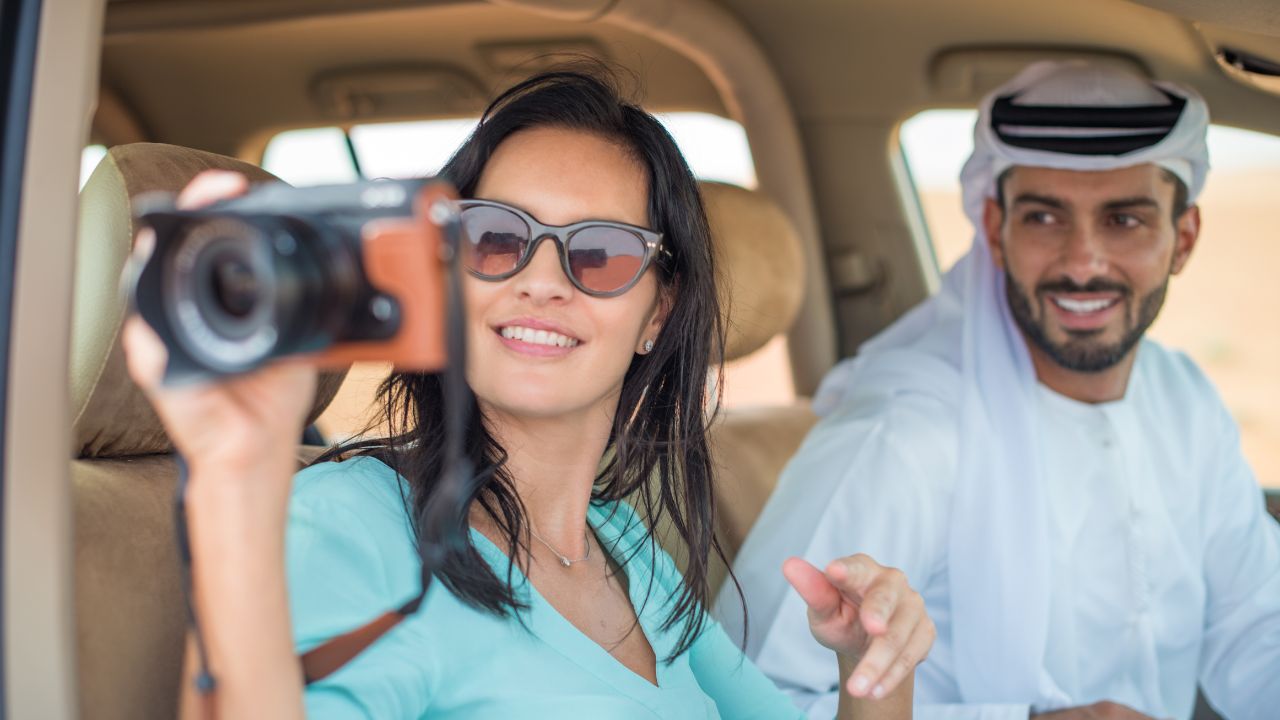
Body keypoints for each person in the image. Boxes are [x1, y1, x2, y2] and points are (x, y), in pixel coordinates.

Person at [122, 68, 935, 719]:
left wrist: (872, 671)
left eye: (603, 252)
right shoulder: (347, 522)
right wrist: (234, 476)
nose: (541, 282)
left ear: (657, 312)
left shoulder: (624, 549)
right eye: (494, 236)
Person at [720, 60, 1280, 720]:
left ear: (1182, 239)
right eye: (1045, 218)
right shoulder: (905, 434)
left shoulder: (1184, 400)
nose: (1083, 263)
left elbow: (1255, 633)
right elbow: (751, 700)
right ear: (995, 230)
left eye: (1124, 221)